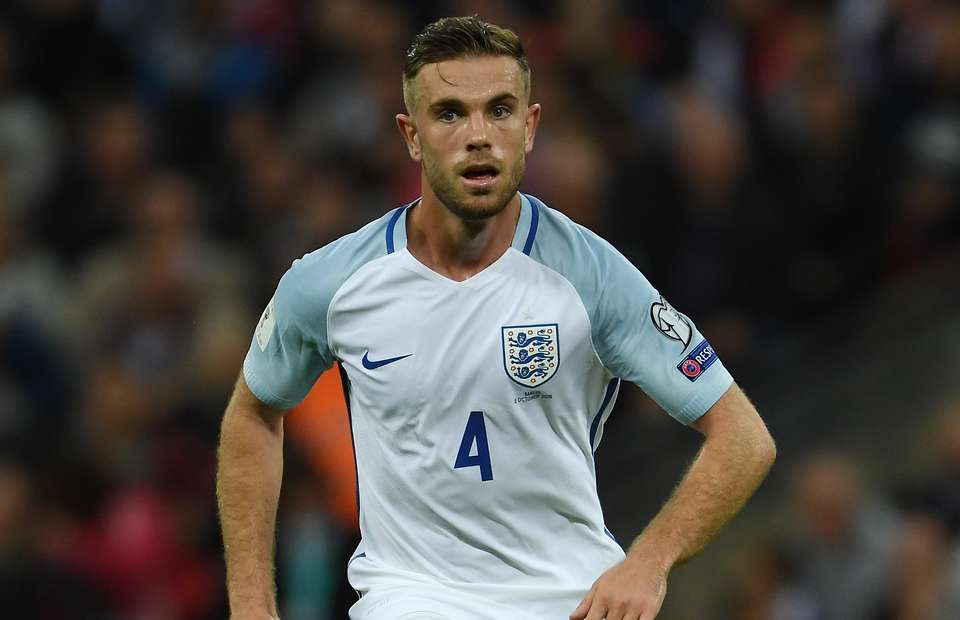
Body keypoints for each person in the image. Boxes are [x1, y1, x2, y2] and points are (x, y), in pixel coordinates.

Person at [216, 16, 776, 620]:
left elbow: (743, 438)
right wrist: (251, 605)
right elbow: (253, 414)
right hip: (413, 599)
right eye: (450, 113)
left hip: (570, 600)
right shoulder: (333, 283)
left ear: (529, 128)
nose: (478, 136)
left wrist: (649, 561)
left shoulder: (592, 276)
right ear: (411, 135)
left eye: (500, 110)